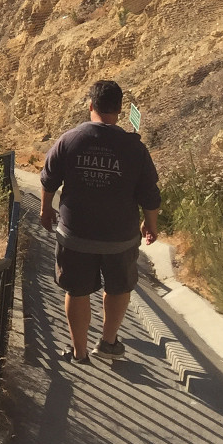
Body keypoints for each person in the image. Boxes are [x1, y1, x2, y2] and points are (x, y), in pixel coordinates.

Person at [39, 79, 160, 364]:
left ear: (91, 105)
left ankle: (79, 352)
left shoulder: (69, 139)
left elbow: (48, 180)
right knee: (118, 287)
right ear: (118, 110)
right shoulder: (134, 148)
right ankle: (107, 342)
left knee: (77, 290)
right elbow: (150, 194)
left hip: (75, 234)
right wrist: (150, 224)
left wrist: (46, 210)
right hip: (120, 237)